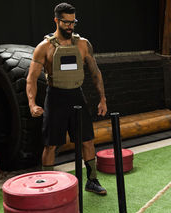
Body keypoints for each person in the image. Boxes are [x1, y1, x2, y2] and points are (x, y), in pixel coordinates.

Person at [26, 2, 107, 195]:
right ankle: (47, 185)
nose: (70, 26)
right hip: (55, 98)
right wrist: (32, 103)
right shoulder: (44, 48)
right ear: (56, 21)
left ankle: (92, 180)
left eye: (73, 22)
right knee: (51, 144)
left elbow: (95, 72)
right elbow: (31, 79)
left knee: (87, 140)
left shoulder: (83, 44)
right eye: (66, 22)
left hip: (76, 96)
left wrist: (102, 98)